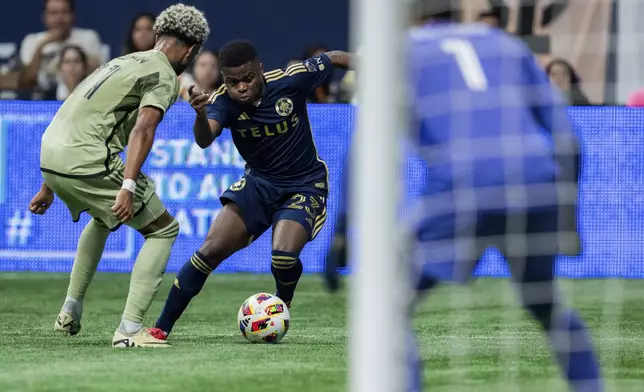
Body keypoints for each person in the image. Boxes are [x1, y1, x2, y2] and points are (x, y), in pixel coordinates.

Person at [329, 1, 603, 391]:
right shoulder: (505, 44)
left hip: (461, 187)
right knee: (546, 304)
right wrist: (567, 219)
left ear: (408, 15)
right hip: (536, 184)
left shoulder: (400, 53)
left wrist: (342, 229)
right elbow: (567, 138)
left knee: (385, 309)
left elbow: (367, 149)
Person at [28, 4, 210, 348]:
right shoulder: (163, 75)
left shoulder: (121, 61)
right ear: (191, 50)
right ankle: (129, 330)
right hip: (85, 158)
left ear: (158, 36)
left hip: (51, 152)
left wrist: (48, 184)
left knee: (104, 218)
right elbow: (144, 128)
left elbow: (74, 109)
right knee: (163, 229)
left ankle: (70, 309)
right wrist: (127, 186)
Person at [149, 39, 352, 341]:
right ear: (224, 80)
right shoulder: (222, 101)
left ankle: (283, 299)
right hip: (259, 184)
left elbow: (333, 57)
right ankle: (160, 328)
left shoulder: (291, 79)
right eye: (233, 82)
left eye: (247, 78)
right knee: (208, 251)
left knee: (283, 256)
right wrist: (201, 115)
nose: (241, 87)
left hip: (304, 184)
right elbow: (204, 140)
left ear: (260, 70)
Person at [19, 0, 103, 97]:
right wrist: (42, 45)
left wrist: (74, 49)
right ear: (44, 17)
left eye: (64, 12)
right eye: (54, 13)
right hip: (42, 102)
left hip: (81, 98)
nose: (59, 18)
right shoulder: (32, 41)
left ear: (73, 15)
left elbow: (99, 75)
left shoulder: (88, 38)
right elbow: (26, 82)